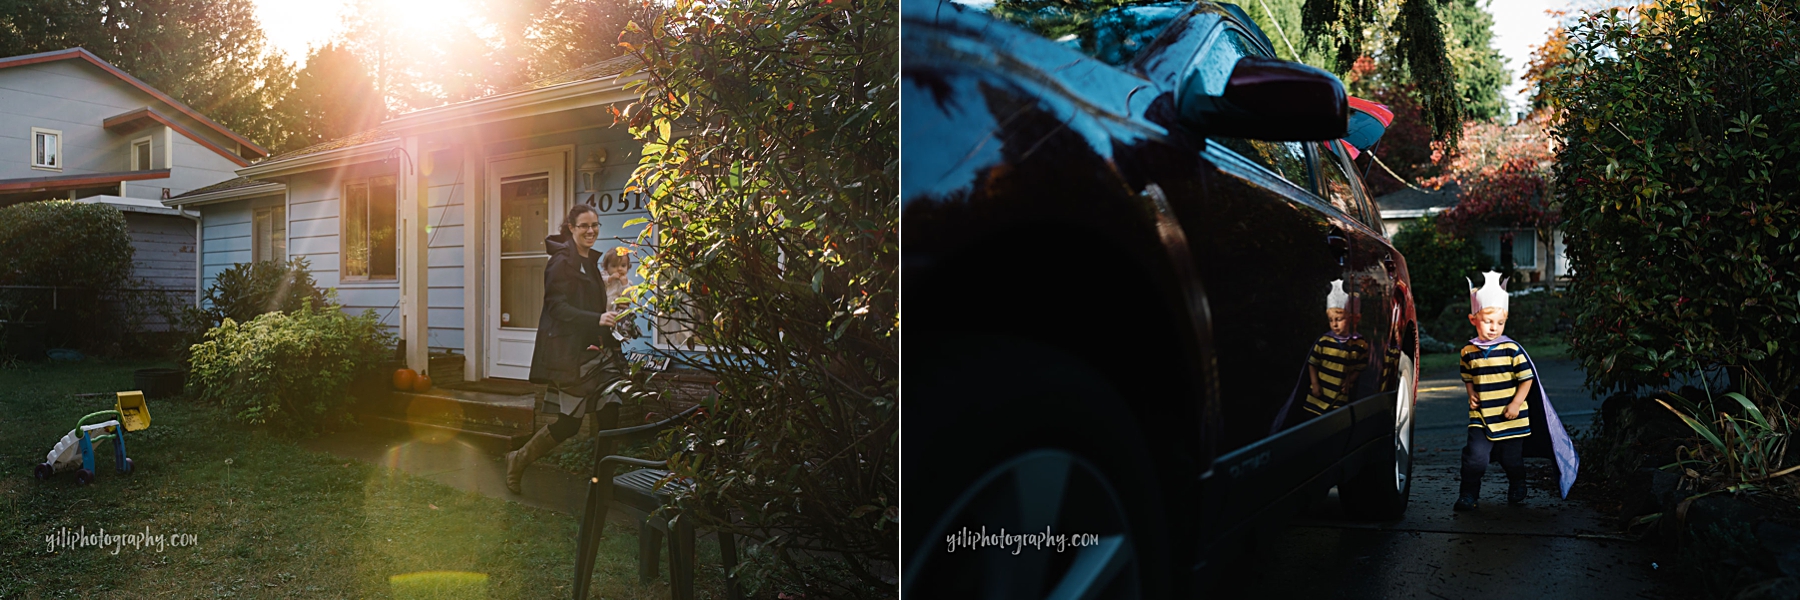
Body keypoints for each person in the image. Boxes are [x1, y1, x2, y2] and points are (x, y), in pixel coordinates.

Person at [506, 204, 628, 493]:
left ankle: (602, 483)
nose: (591, 231)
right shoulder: (561, 262)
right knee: (569, 424)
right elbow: (556, 307)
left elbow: (595, 304)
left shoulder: (591, 262)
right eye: (584, 225)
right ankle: (518, 459)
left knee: (610, 411)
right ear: (571, 228)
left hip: (600, 350)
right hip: (572, 354)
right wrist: (596, 318)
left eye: (595, 225)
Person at [1454, 271, 1578, 511]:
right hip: (1481, 417)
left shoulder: (1511, 349)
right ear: (1473, 320)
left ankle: (1518, 482)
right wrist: (1470, 393)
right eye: (1488, 322)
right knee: (1474, 457)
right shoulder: (1468, 351)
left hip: (1513, 418)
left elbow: (1526, 379)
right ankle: (1468, 494)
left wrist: (1515, 403)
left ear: (1506, 319)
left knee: (1511, 459)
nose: (1494, 328)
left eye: (1499, 323)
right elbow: (1467, 376)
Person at [1301, 279, 1368, 416]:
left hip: (1339, 397)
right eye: (1331, 320)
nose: (1334, 324)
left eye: (1339, 319)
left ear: (1353, 319)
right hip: (1318, 397)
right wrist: (1315, 384)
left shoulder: (1359, 344)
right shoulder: (1324, 341)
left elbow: (1360, 366)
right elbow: (1313, 363)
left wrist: (1350, 379)